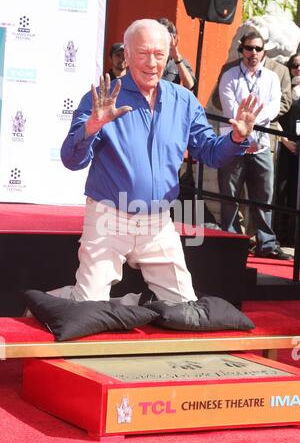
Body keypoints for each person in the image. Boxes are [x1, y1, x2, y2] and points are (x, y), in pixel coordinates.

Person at [60, 19, 262, 303]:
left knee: (185, 306)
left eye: (159, 54)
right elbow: (71, 160)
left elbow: (210, 152)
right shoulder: (104, 100)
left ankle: (129, 305)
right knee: (88, 304)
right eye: (143, 53)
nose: (152, 62)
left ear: (169, 56)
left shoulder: (184, 101)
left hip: (158, 223)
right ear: (126, 55)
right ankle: (53, 303)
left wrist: (237, 139)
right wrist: (92, 126)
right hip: (109, 217)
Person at [217, 31, 291, 260]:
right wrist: (245, 131)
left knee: (264, 197)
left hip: (260, 146)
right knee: (230, 196)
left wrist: (251, 125)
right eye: (249, 48)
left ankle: (266, 244)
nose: (253, 53)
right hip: (233, 145)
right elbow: (231, 110)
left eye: (258, 49)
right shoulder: (230, 75)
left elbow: (272, 107)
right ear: (242, 50)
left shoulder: (271, 77)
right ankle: (230, 243)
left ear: (264, 52)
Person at [274, 52, 300, 246]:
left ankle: (294, 237)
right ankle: (281, 235)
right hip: (286, 146)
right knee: (281, 190)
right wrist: (285, 141)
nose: (298, 69)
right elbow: (275, 116)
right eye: (294, 65)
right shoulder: (284, 90)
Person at [157, 17, 196, 90]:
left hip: (169, 100)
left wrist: (177, 58)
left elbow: (190, 86)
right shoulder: (147, 58)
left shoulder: (179, 61)